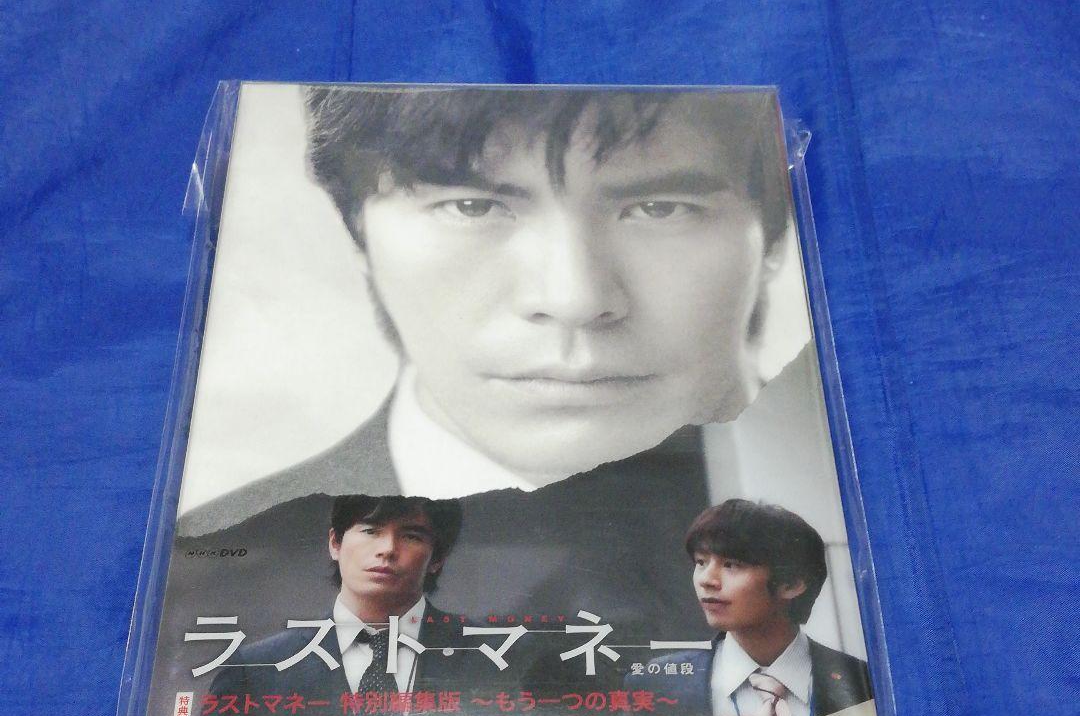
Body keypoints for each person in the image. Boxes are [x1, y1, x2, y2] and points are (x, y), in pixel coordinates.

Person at [179, 85, 794, 537]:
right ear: (357, 233)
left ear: (773, 237)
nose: (573, 298)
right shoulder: (200, 568)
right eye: (472, 207)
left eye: (661, 208)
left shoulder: (857, 508)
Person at [202, 495, 487, 716]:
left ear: (437, 558)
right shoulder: (254, 670)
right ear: (335, 543)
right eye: (370, 531)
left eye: (411, 536)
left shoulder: (493, 655)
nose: (387, 549)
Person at [645, 499, 873, 716]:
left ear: (792, 584)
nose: (706, 579)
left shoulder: (863, 683)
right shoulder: (658, 684)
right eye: (701, 562)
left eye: (731, 564)